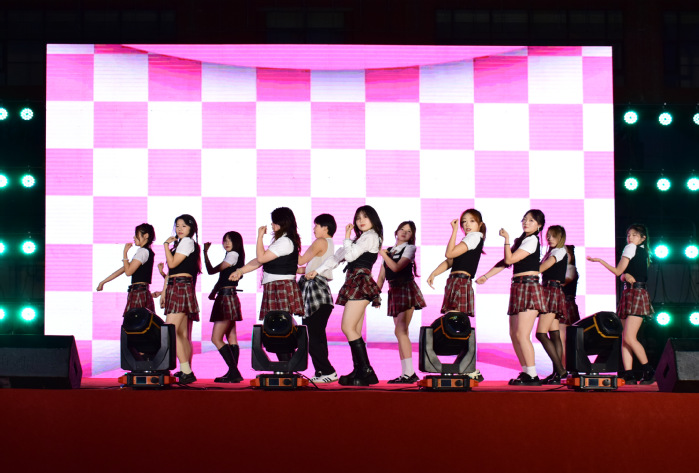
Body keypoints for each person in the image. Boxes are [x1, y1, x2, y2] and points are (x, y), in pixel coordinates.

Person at [307, 205, 383, 386]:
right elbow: (336, 257)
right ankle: (361, 370)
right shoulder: (361, 239)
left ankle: (366, 370)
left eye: (365, 217)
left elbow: (349, 256)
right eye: (358, 218)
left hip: (361, 282)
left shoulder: (372, 236)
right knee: (354, 329)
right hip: (354, 282)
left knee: (347, 327)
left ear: (373, 219)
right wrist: (317, 271)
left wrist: (347, 237)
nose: (360, 221)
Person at [477, 209, 546, 386]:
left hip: (529, 287)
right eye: (524, 219)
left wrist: (506, 240)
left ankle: (533, 375)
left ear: (539, 225)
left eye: (531, 220)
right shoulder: (524, 240)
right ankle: (526, 372)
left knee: (522, 334)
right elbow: (505, 262)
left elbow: (509, 260)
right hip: (518, 286)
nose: (526, 223)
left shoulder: (532, 240)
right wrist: (486, 276)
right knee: (514, 334)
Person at [230, 208, 304, 361]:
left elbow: (261, 258)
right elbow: (260, 260)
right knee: (278, 326)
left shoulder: (285, 241)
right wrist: (240, 271)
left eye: (274, 222)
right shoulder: (282, 240)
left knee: (280, 326)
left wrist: (259, 237)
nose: (272, 225)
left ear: (282, 223)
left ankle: (287, 365)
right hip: (276, 285)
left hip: (280, 285)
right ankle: (286, 365)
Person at [587, 224, 655, 384]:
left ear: (643, 238)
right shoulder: (643, 251)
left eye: (634, 235)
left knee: (629, 337)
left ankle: (649, 371)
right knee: (625, 338)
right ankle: (629, 374)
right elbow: (624, 275)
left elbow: (618, 272)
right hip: (632, 293)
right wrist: (625, 276)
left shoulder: (631, 248)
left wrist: (600, 261)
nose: (630, 238)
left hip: (635, 294)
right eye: (629, 235)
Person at [426, 209, 486, 382]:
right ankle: (467, 367)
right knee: (455, 324)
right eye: (464, 221)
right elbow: (450, 261)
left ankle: (470, 368)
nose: (466, 224)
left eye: (471, 221)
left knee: (456, 324)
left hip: (460, 282)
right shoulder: (468, 240)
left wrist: (453, 231)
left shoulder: (474, 237)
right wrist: (434, 273)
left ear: (480, 224)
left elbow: (449, 254)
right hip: (455, 281)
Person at [377, 220, 426, 384]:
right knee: (399, 333)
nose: (404, 232)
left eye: (409, 231)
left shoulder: (410, 248)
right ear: (396, 232)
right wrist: (375, 295)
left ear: (412, 236)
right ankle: (406, 372)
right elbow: (381, 276)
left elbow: (397, 267)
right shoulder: (389, 251)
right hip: (394, 291)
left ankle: (410, 373)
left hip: (406, 289)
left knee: (401, 331)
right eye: (402, 229)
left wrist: (383, 254)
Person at [159, 214, 201, 385]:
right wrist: (164, 292)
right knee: (181, 334)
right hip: (178, 286)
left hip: (180, 286)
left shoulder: (187, 242)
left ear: (191, 228)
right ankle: (185, 370)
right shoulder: (183, 243)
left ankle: (186, 371)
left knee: (170, 330)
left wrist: (165, 245)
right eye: (177, 226)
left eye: (184, 226)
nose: (179, 229)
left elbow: (173, 264)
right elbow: (172, 271)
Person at [297, 214, 338, 384]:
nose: (314, 229)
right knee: (317, 337)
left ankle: (328, 371)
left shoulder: (320, 241)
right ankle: (321, 371)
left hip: (316, 294)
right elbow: (305, 269)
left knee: (313, 336)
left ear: (325, 227)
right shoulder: (328, 244)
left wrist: (290, 244)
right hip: (319, 294)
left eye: (316, 225)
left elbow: (300, 260)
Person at [203, 231, 245, 383]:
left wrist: (205, 253)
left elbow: (212, 271)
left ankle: (234, 372)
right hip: (229, 296)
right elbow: (222, 277)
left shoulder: (232, 255)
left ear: (236, 242)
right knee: (231, 336)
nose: (226, 243)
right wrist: (214, 292)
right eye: (224, 240)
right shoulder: (233, 255)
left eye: (230, 240)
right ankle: (232, 373)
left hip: (226, 298)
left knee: (216, 338)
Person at [97, 223, 156, 315]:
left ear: (146, 236)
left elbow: (128, 272)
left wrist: (125, 253)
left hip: (139, 292)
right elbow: (124, 269)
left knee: (135, 321)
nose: (134, 237)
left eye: (136, 234)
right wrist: (103, 282)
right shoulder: (144, 251)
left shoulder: (143, 252)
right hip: (139, 292)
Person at [536, 225, 568, 385]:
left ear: (560, 237)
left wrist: (528, 269)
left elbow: (542, 268)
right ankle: (557, 373)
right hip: (550, 291)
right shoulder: (552, 251)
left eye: (553, 236)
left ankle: (561, 370)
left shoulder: (559, 251)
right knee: (554, 334)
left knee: (541, 334)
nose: (549, 238)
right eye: (548, 235)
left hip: (551, 291)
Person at [559, 244, 581, 366]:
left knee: (562, 338)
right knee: (559, 338)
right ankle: (561, 368)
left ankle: (564, 368)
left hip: (566, 304)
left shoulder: (570, 268)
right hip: (560, 303)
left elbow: (565, 281)